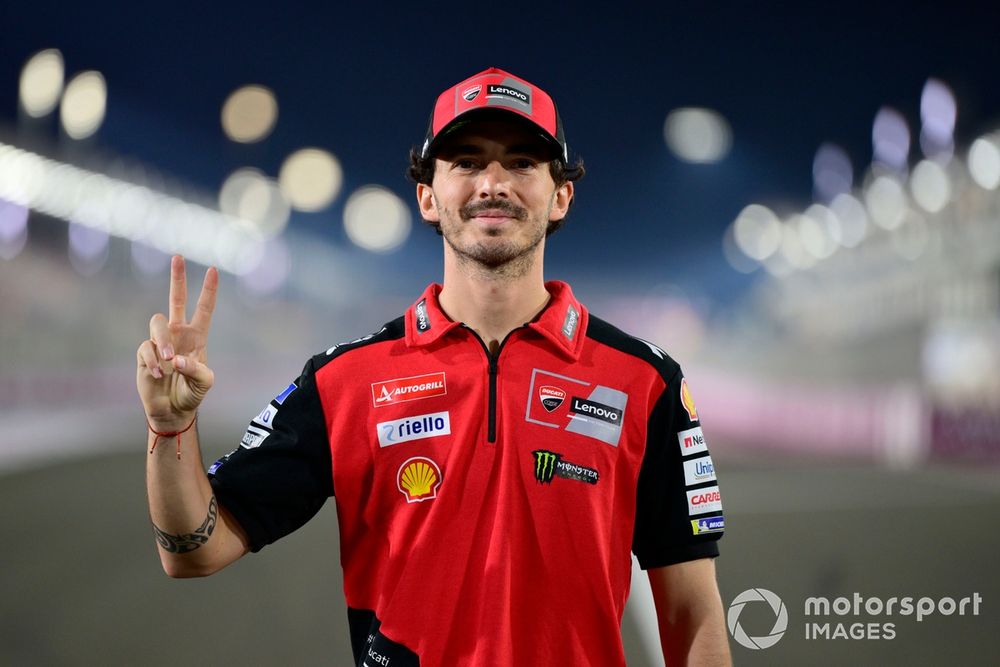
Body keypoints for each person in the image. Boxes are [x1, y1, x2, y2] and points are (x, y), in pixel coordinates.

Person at [136, 66, 730, 666]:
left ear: (561, 196)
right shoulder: (344, 381)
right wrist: (169, 427)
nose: (493, 183)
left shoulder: (645, 382)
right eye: (467, 162)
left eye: (522, 163)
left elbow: (691, 612)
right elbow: (192, 550)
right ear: (427, 195)